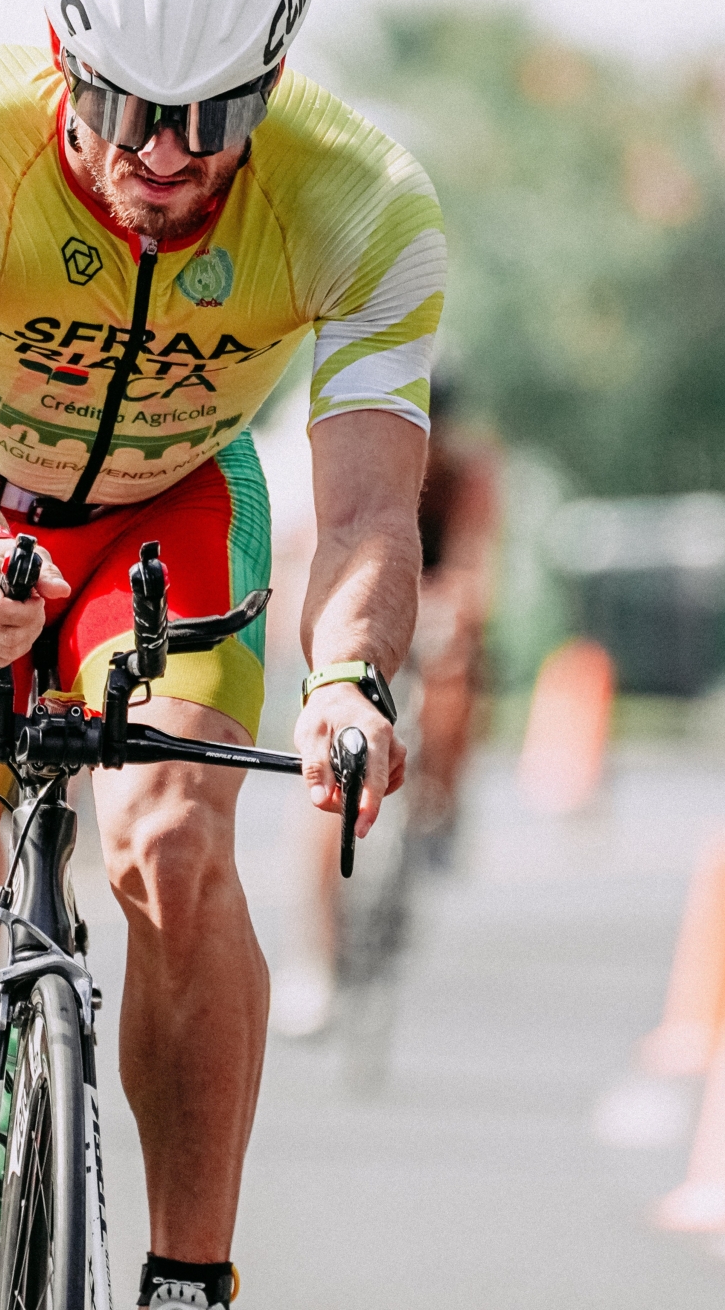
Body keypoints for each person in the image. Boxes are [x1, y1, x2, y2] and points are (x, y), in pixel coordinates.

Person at [0, 0, 443, 1310]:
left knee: (170, 846)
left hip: (174, 507)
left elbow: (362, 513)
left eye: (214, 118)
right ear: (59, 44)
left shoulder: (363, 197)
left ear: (275, 74)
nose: (164, 156)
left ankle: (187, 1271)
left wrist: (351, 678)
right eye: (123, 104)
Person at [271, 363, 499, 1038]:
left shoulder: (471, 473)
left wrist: (453, 612)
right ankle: (316, 955)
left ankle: (440, 805)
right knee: (326, 787)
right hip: (351, 600)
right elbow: (319, 554)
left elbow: (475, 565)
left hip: (428, 593)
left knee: (461, 668)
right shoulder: (352, 446)